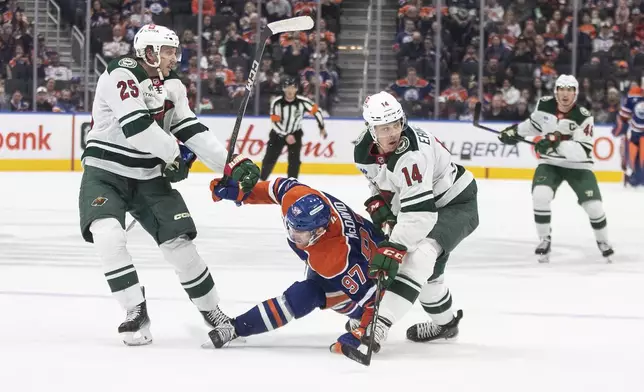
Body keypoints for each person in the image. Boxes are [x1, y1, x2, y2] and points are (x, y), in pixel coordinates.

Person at [78, 24, 260, 345]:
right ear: (148, 51)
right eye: (168, 51)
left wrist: (232, 163)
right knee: (108, 235)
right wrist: (175, 156)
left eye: (175, 51)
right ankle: (134, 309)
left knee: (180, 247)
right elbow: (137, 127)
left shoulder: (173, 86)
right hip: (106, 170)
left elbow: (192, 130)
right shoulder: (121, 73)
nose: (175, 57)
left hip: (149, 176)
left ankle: (213, 311)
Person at [353, 91, 479, 351]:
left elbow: (420, 215)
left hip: (455, 203)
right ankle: (446, 324)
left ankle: (378, 326)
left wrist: (394, 246)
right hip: (422, 205)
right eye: (384, 128)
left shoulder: (412, 155)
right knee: (428, 281)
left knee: (418, 257)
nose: (392, 133)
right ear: (370, 129)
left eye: (397, 124)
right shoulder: (363, 150)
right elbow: (381, 184)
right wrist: (379, 202)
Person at [206, 176, 386, 353]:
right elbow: (276, 188)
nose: (293, 235)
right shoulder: (296, 197)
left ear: (319, 231)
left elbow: (375, 300)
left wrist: (360, 332)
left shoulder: (336, 259)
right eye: (291, 228)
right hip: (358, 248)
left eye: (300, 232)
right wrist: (241, 192)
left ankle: (236, 328)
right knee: (310, 285)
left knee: (304, 295)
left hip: (369, 269)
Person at [499, 74, 614, 262]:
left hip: (579, 166)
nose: (565, 94)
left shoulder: (584, 117)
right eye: (561, 89)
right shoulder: (544, 105)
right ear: (556, 91)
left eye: (570, 90)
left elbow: (582, 151)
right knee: (540, 196)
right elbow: (534, 125)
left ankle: (603, 241)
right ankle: (544, 239)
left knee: (594, 207)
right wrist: (514, 132)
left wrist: (554, 144)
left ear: (575, 93)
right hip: (550, 163)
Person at [260, 76, 327, 180]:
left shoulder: (302, 101)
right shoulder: (277, 102)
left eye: (292, 87)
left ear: (296, 89)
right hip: (278, 134)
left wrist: (321, 127)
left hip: (295, 133)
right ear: (283, 89)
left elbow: (317, 111)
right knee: (269, 158)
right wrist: (285, 135)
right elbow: (275, 122)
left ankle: (292, 183)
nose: (290, 90)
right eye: (287, 87)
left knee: (294, 161)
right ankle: (261, 181)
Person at [614, 85, 644, 187]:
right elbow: (624, 116)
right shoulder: (634, 94)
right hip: (635, 133)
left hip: (637, 133)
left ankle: (636, 178)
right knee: (636, 159)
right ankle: (634, 178)